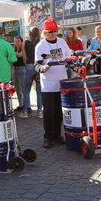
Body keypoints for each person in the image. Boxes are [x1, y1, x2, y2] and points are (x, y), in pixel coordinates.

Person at [35, 18, 72, 149]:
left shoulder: (62, 42)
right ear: (44, 32)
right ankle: (48, 137)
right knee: (49, 113)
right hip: (48, 85)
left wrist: (72, 61)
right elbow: (37, 65)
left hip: (62, 83)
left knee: (59, 112)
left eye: (55, 31)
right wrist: (42, 68)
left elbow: (69, 57)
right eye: (50, 31)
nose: (53, 33)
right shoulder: (40, 46)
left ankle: (57, 135)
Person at [23, 26, 43, 119]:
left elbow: (24, 57)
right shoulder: (41, 42)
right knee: (39, 90)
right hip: (38, 66)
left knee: (27, 89)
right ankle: (39, 111)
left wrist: (26, 65)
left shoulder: (26, 43)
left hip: (30, 65)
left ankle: (25, 111)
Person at [12, 36, 27, 117]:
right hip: (15, 69)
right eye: (15, 41)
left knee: (23, 88)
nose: (17, 43)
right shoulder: (14, 49)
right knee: (17, 89)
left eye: (18, 41)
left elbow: (18, 55)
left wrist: (13, 53)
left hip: (22, 69)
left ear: (21, 42)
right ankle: (20, 105)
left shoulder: (23, 49)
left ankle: (26, 105)